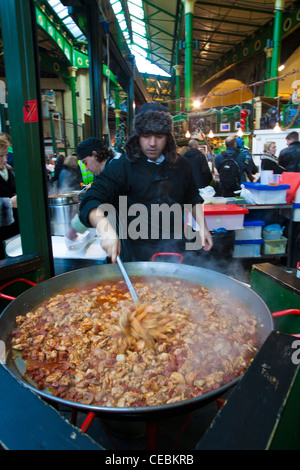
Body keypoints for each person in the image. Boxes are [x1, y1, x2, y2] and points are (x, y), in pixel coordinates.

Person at [78, 102, 213, 263]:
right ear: (137, 136)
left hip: (173, 250)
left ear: (168, 137)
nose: (152, 143)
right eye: (146, 136)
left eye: (159, 136)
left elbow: (192, 199)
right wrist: (105, 230)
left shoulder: (182, 165)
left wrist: (203, 227)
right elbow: (91, 199)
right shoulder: (123, 166)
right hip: (135, 255)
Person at [67, 138, 116, 241]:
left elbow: (95, 197)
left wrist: (74, 229)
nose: (86, 168)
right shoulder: (110, 168)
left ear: (95, 155)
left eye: (85, 162)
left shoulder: (113, 171)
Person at [0, 135, 18, 259]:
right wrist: (9, 203)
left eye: (5, 155)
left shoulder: (9, 172)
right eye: (1, 156)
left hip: (15, 232)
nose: (5, 159)